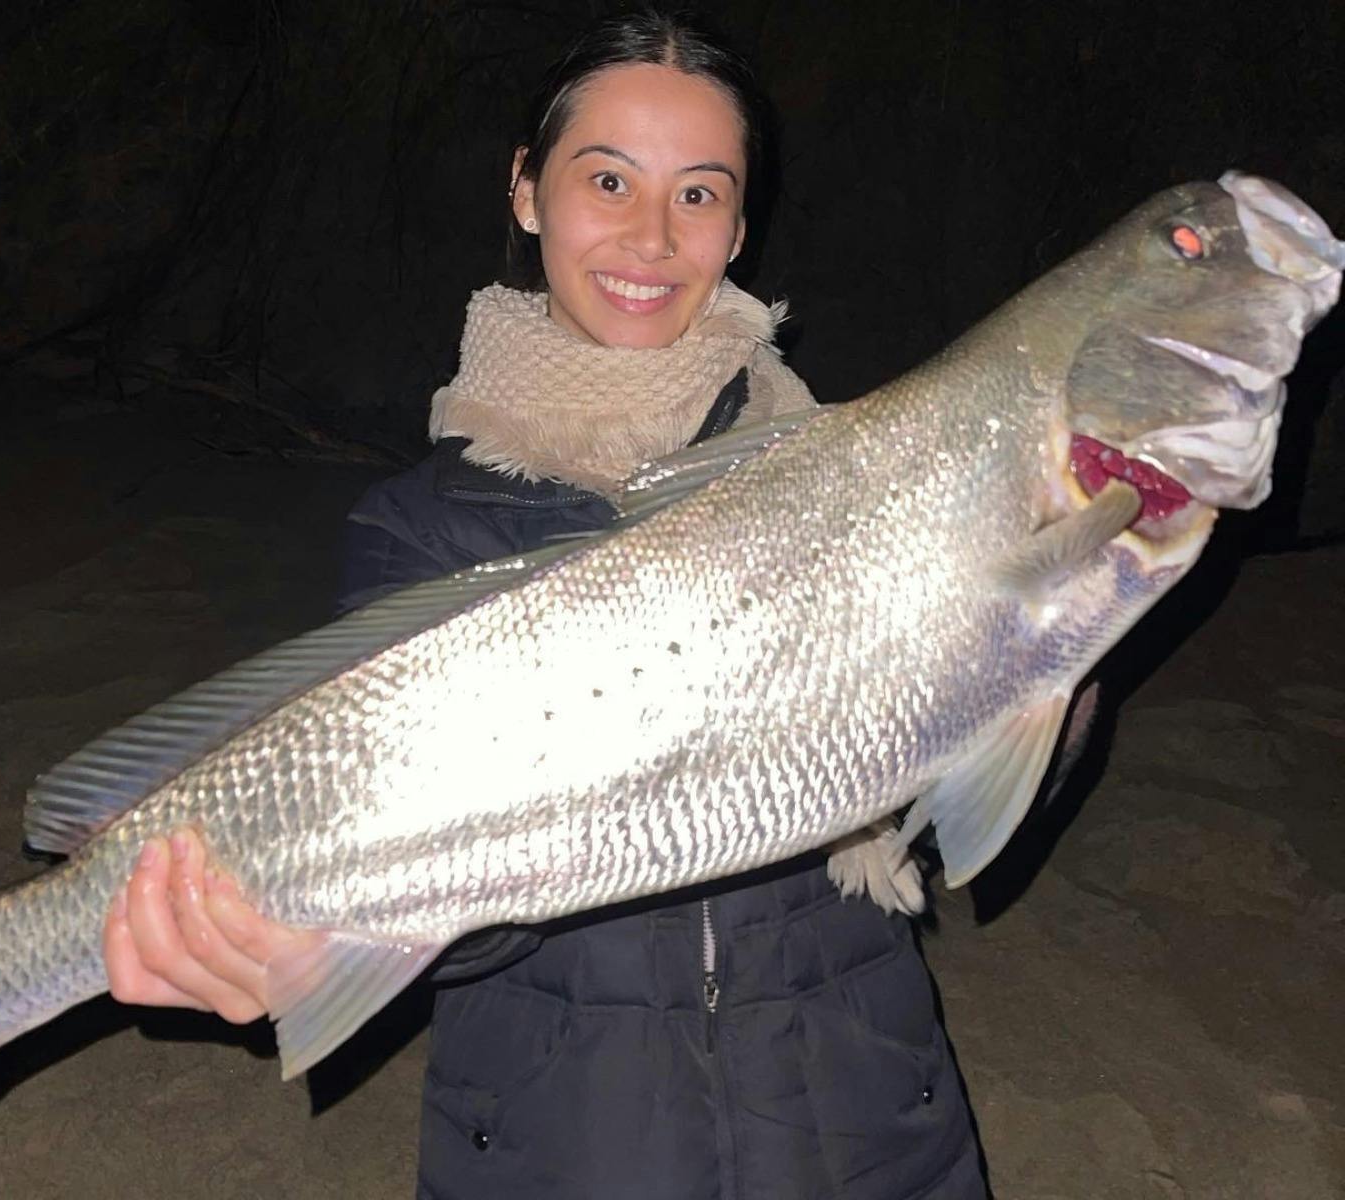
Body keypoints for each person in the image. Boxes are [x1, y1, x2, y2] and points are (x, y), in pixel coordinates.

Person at [104, 12, 987, 1198]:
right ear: (526, 191)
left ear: (736, 225)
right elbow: (460, 885)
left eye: (698, 193)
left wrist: (1051, 648)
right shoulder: (421, 529)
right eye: (607, 178)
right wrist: (314, 936)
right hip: (570, 1143)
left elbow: (956, 766)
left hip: (865, 1114)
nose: (649, 236)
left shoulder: (838, 469)